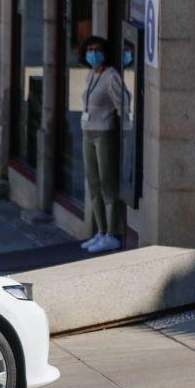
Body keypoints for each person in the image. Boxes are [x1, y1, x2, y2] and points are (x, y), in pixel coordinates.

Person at [80, 36, 126, 254]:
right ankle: (100, 230)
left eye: (96, 49)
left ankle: (113, 233)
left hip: (104, 133)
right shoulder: (91, 74)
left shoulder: (112, 76)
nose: (92, 53)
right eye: (89, 49)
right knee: (93, 183)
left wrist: (124, 129)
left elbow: (122, 104)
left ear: (105, 52)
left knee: (107, 183)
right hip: (87, 132)